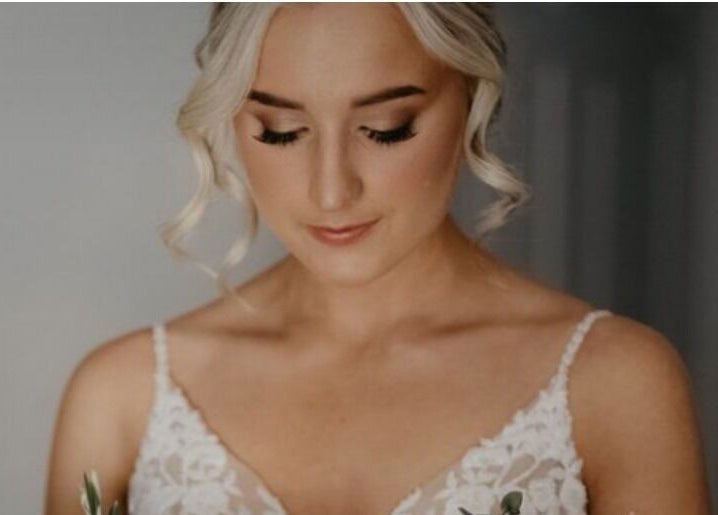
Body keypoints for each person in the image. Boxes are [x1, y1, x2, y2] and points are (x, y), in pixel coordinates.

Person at [44, 3, 711, 515]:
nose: (332, 191)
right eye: (282, 132)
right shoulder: (122, 396)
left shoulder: (614, 385)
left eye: (386, 129)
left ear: (471, 98)